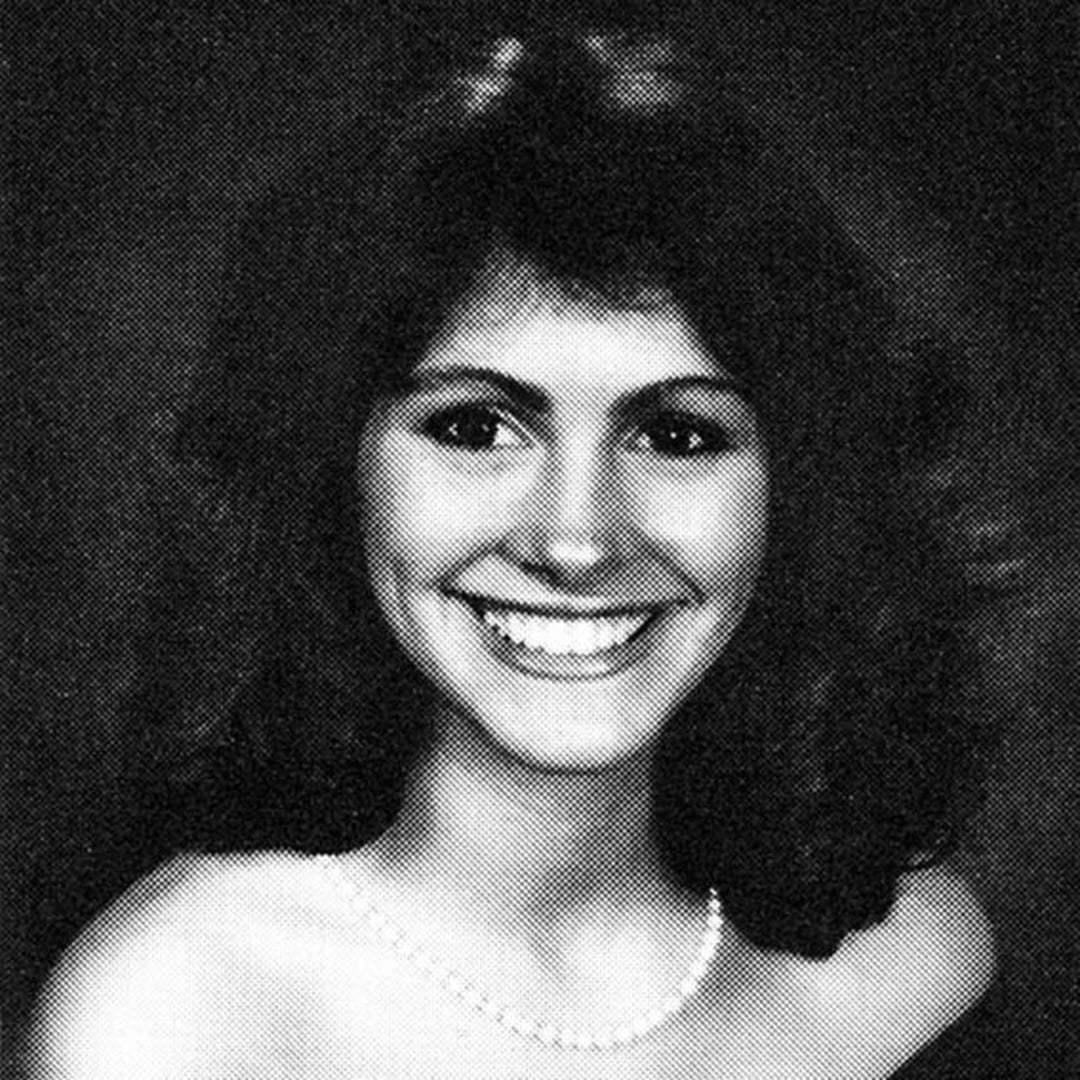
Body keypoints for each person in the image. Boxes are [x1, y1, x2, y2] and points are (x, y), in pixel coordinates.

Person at [24, 24, 1023, 1079]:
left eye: (678, 435)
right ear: (334, 466)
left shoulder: (919, 968)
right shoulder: (174, 1016)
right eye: (474, 428)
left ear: (801, 492)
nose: (577, 540)